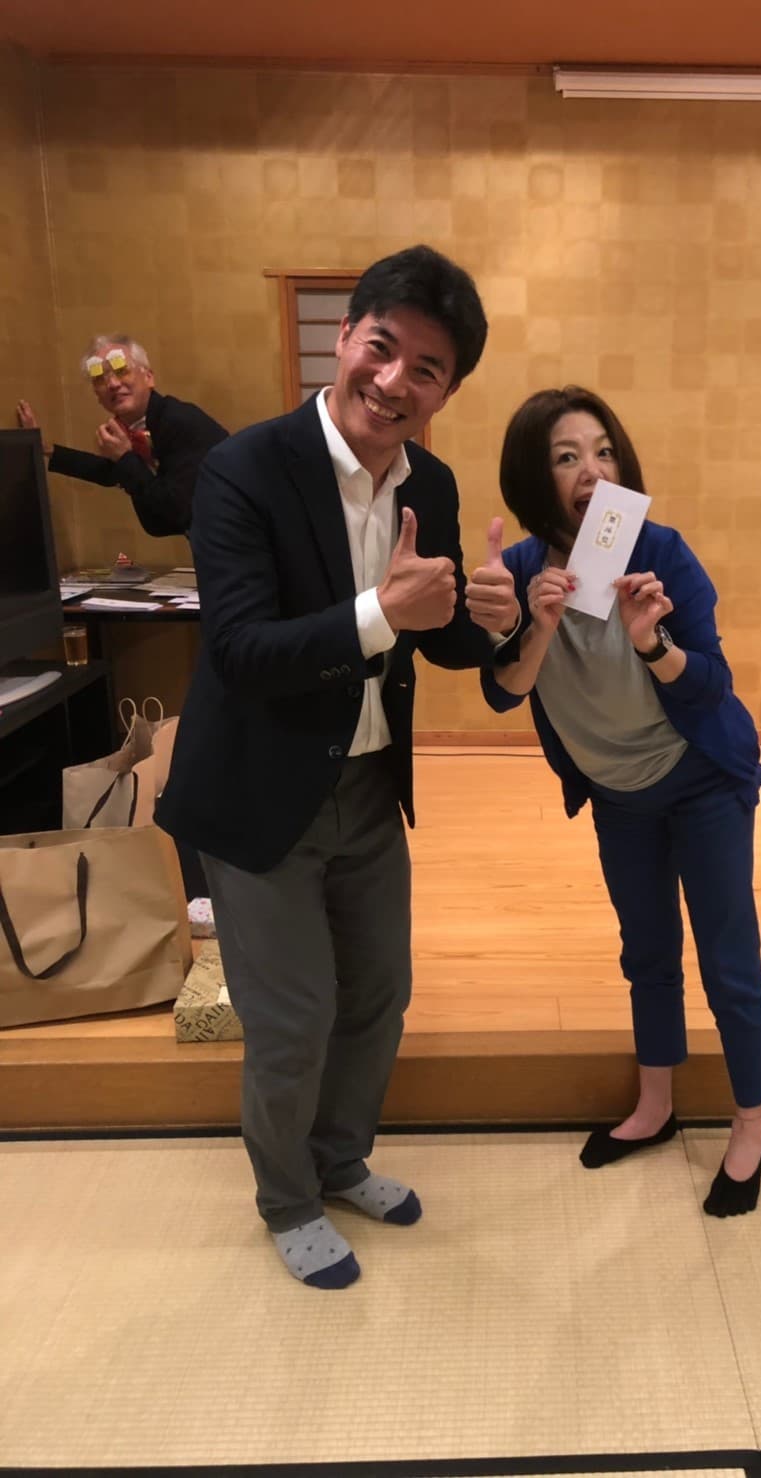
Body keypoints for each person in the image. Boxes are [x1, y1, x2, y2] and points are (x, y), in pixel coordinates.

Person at [156, 246, 520, 1287]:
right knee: (292, 1018)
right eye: (383, 347)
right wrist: (380, 614)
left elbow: (437, 637)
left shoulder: (428, 482)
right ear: (345, 337)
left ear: (447, 391)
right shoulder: (245, 468)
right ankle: (287, 1198)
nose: (395, 381)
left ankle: (340, 1158)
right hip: (257, 793)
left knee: (377, 996)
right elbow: (239, 649)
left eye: (428, 369)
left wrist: (489, 616)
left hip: (366, 786)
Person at [482, 387, 761, 1218]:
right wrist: (536, 624)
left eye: (603, 451)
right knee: (646, 950)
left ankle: (751, 1122)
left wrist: (653, 641)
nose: (592, 469)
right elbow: (503, 691)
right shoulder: (520, 570)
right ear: (534, 477)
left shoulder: (661, 553)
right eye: (567, 456)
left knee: (728, 956)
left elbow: (712, 682)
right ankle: (655, 1105)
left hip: (701, 777)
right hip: (618, 791)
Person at [16, 335, 227, 537]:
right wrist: (45, 448)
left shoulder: (179, 420)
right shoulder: (139, 426)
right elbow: (111, 472)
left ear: (148, 377)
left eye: (121, 370)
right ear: (97, 395)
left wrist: (125, 458)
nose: (112, 384)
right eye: (99, 378)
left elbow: (177, 511)